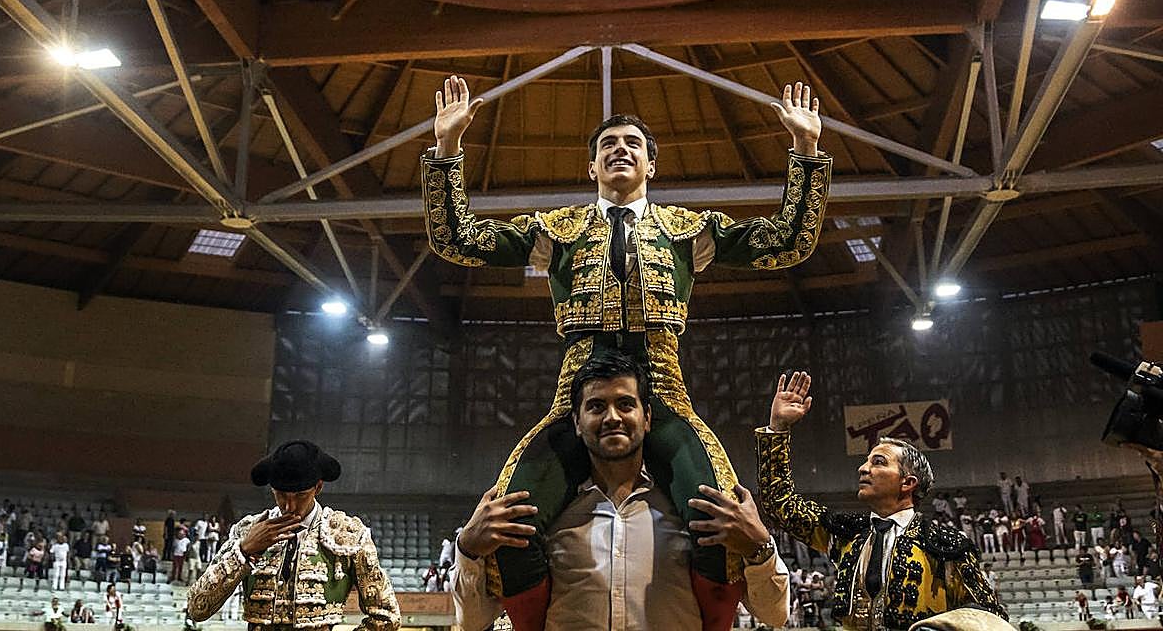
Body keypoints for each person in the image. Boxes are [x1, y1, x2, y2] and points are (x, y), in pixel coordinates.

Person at [423, 75, 831, 629]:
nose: (620, 149)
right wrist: (448, 148)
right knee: (506, 525)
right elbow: (456, 239)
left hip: (663, 396)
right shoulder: (557, 229)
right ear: (591, 168)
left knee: (720, 518)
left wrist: (805, 149)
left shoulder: (688, 230)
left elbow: (788, 243)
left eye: (632, 144)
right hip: (579, 397)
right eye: (607, 145)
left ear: (650, 166)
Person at [451, 355, 791, 631]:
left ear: (647, 419)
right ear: (576, 422)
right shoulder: (546, 515)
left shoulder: (693, 511)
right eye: (596, 407)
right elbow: (472, 621)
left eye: (625, 405)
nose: (612, 417)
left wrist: (759, 547)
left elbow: (775, 615)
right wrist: (468, 549)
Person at [756, 371, 1005, 631]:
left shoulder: (945, 545)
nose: (863, 469)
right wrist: (778, 428)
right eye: (866, 461)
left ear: (907, 483)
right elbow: (779, 501)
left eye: (878, 462)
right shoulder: (847, 533)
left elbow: (990, 616)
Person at [186, 439, 400, 630]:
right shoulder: (247, 531)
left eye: (300, 495)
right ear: (271, 489)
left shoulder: (348, 534)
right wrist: (243, 551)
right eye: (281, 494)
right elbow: (197, 608)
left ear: (318, 487)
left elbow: (387, 617)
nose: (289, 506)